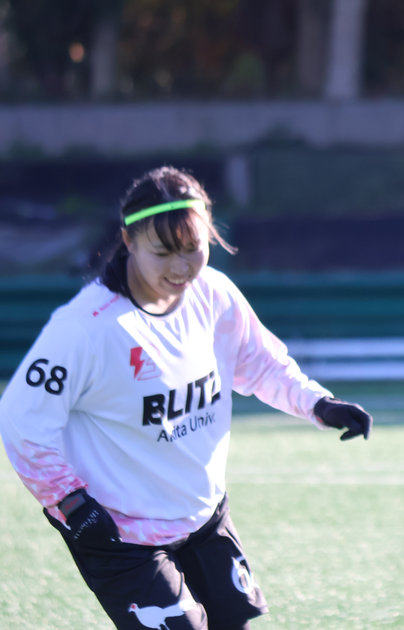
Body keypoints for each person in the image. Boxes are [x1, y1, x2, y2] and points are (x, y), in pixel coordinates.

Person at [0, 166, 373, 630]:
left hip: (205, 515)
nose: (181, 268)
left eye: (193, 248)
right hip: (122, 534)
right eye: (162, 252)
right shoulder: (84, 328)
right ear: (129, 241)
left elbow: (261, 363)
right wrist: (71, 504)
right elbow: (21, 420)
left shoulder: (213, 294)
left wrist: (318, 404)